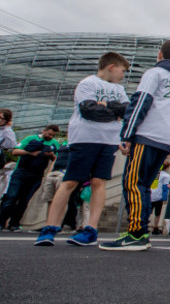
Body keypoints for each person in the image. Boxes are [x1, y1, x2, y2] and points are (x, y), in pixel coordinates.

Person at [100, 39, 170, 251]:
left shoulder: (155, 74)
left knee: (133, 182)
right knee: (142, 185)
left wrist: (127, 134)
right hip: (166, 140)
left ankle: (136, 233)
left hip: (148, 135)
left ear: (160, 55)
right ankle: (139, 231)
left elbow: (141, 102)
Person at [34, 52, 130, 246]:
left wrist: (106, 106)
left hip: (109, 140)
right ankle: (50, 227)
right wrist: (114, 112)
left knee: (98, 182)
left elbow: (127, 111)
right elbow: (88, 110)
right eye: (122, 70)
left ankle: (90, 229)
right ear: (111, 66)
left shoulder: (119, 89)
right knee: (71, 180)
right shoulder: (88, 84)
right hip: (85, 138)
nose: (123, 75)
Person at [0, 124, 60, 231]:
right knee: (11, 197)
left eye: (53, 135)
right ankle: (2, 221)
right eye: (49, 134)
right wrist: (31, 153)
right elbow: (15, 151)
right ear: (44, 130)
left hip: (36, 175)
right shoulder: (30, 139)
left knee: (24, 200)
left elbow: (57, 160)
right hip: (21, 172)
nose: (50, 137)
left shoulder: (54, 144)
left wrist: (51, 155)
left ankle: (14, 223)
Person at [150, 160, 170, 235]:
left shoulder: (154, 173)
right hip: (159, 196)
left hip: (150, 194)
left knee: (148, 211)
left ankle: (144, 225)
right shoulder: (166, 176)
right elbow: (165, 188)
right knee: (157, 213)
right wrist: (165, 198)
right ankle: (155, 227)